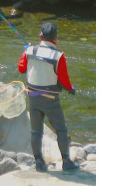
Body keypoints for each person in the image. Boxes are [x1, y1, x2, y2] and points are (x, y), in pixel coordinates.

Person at [18, 22, 80, 172]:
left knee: (36, 131)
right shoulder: (58, 56)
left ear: (40, 36)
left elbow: (21, 69)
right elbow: (64, 81)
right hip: (51, 99)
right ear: (56, 38)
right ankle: (66, 162)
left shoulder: (30, 51)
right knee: (61, 130)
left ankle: (39, 162)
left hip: (32, 97)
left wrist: (25, 52)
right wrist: (71, 89)